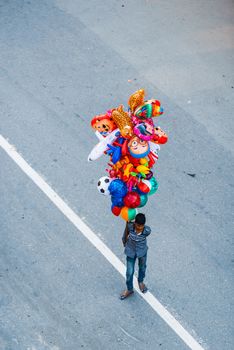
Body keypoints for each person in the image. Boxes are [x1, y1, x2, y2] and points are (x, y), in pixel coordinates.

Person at [120, 213, 151, 300]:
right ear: (134, 223)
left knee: (142, 267)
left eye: (141, 226)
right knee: (129, 272)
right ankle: (129, 289)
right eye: (137, 225)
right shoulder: (130, 226)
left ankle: (140, 281)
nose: (139, 228)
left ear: (144, 225)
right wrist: (124, 241)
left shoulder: (147, 231)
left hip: (142, 252)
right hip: (130, 251)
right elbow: (125, 233)